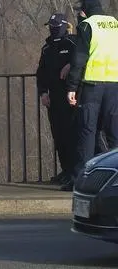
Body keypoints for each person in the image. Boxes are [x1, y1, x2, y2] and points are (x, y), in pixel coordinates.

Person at [64, 0, 118, 191]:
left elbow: (79, 59)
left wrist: (71, 87)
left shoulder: (87, 25)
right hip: (114, 85)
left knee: (87, 132)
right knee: (114, 133)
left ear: (85, 11)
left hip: (93, 85)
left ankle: (82, 179)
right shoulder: (114, 23)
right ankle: (113, 180)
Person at [36, 13, 76, 185]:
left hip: (71, 97)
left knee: (71, 135)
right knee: (58, 135)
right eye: (50, 26)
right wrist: (43, 93)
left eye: (56, 26)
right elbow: (41, 73)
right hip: (53, 98)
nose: (52, 29)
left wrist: (71, 64)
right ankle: (66, 170)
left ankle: (75, 171)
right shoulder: (47, 48)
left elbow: (83, 60)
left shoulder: (72, 43)